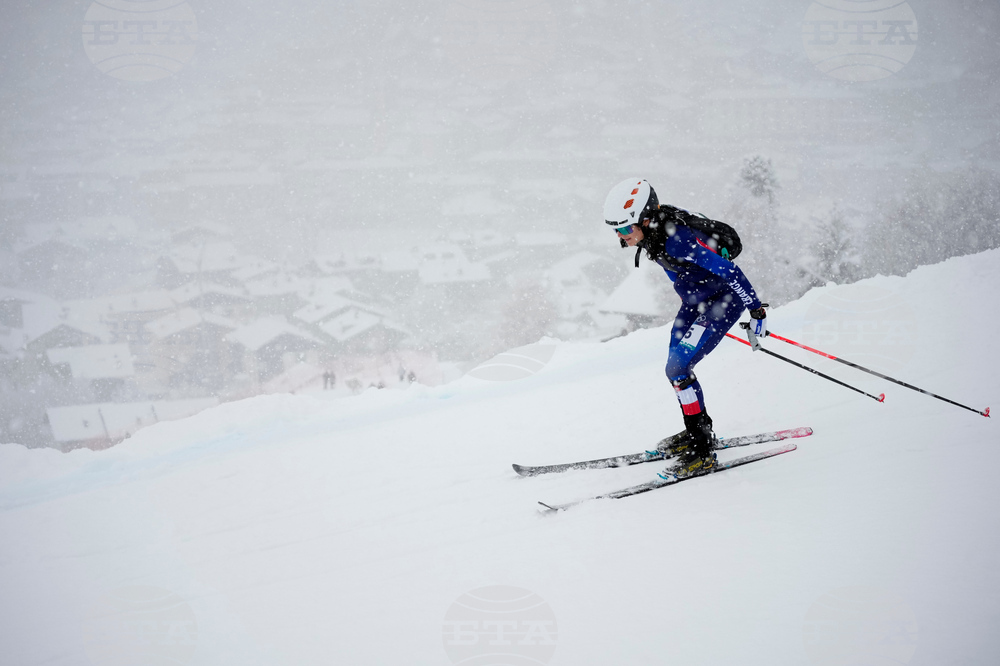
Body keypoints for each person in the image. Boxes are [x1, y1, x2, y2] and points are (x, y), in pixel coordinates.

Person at [603, 178, 768, 479]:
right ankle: (697, 431)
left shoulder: (676, 238)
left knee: (678, 367)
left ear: (646, 219)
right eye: (616, 229)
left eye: (626, 228)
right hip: (695, 303)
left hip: (721, 302)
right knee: (675, 370)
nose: (621, 235)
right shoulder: (653, 232)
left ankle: (702, 452)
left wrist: (757, 311)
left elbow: (729, 270)